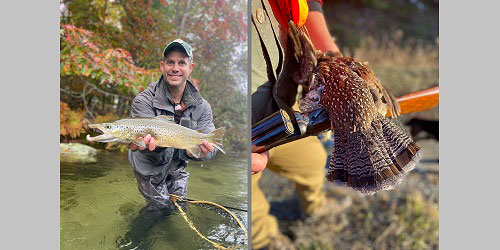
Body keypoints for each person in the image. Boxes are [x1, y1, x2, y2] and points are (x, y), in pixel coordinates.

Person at [251, 0, 341, 249]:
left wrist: (331, 57)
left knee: (313, 164)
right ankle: (267, 240)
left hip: (288, 111)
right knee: (249, 199)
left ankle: (315, 206)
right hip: (239, 134)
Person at [118, 39, 218, 249]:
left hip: (178, 167)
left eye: (181, 63)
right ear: (162, 66)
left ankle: (155, 233)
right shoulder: (143, 100)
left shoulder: (202, 107)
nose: (175, 68)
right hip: (150, 165)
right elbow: (142, 143)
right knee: (160, 207)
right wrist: (142, 143)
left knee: (175, 206)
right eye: (170, 62)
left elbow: (211, 149)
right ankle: (130, 242)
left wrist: (199, 152)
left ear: (190, 68)